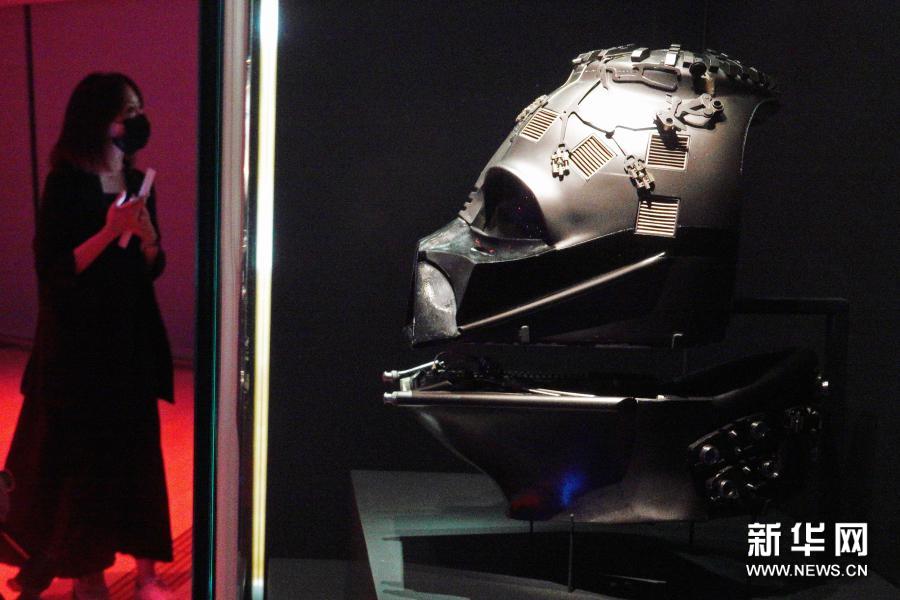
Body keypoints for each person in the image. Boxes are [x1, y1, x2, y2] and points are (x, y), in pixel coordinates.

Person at [1, 73, 175, 600]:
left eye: (139, 109)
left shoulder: (138, 179)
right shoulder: (66, 183)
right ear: (97, 120)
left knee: (138, 454)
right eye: (126, 112)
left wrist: (147, 238)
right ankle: (86, 574)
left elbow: (150, 265)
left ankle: (147, 575)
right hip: (77, 344)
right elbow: (54, 268)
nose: (136, 121)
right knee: (79, 463)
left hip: (129, 337)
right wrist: (108, 230)